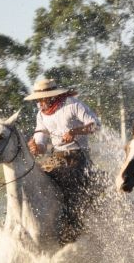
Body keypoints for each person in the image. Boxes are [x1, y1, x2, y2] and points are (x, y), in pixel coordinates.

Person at [24, 78, 101, 233]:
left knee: (69, 182)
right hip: (56, 157)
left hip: (78, 156)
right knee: (30, 179)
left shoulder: (73, 104)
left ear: (52, 96)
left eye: (42, 99)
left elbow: (95, 125)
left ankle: (72, 226)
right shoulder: (41, 115)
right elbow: (41, 144)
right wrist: (36, 148)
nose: (39, 103)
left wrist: (75, 131)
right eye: (38, 100)